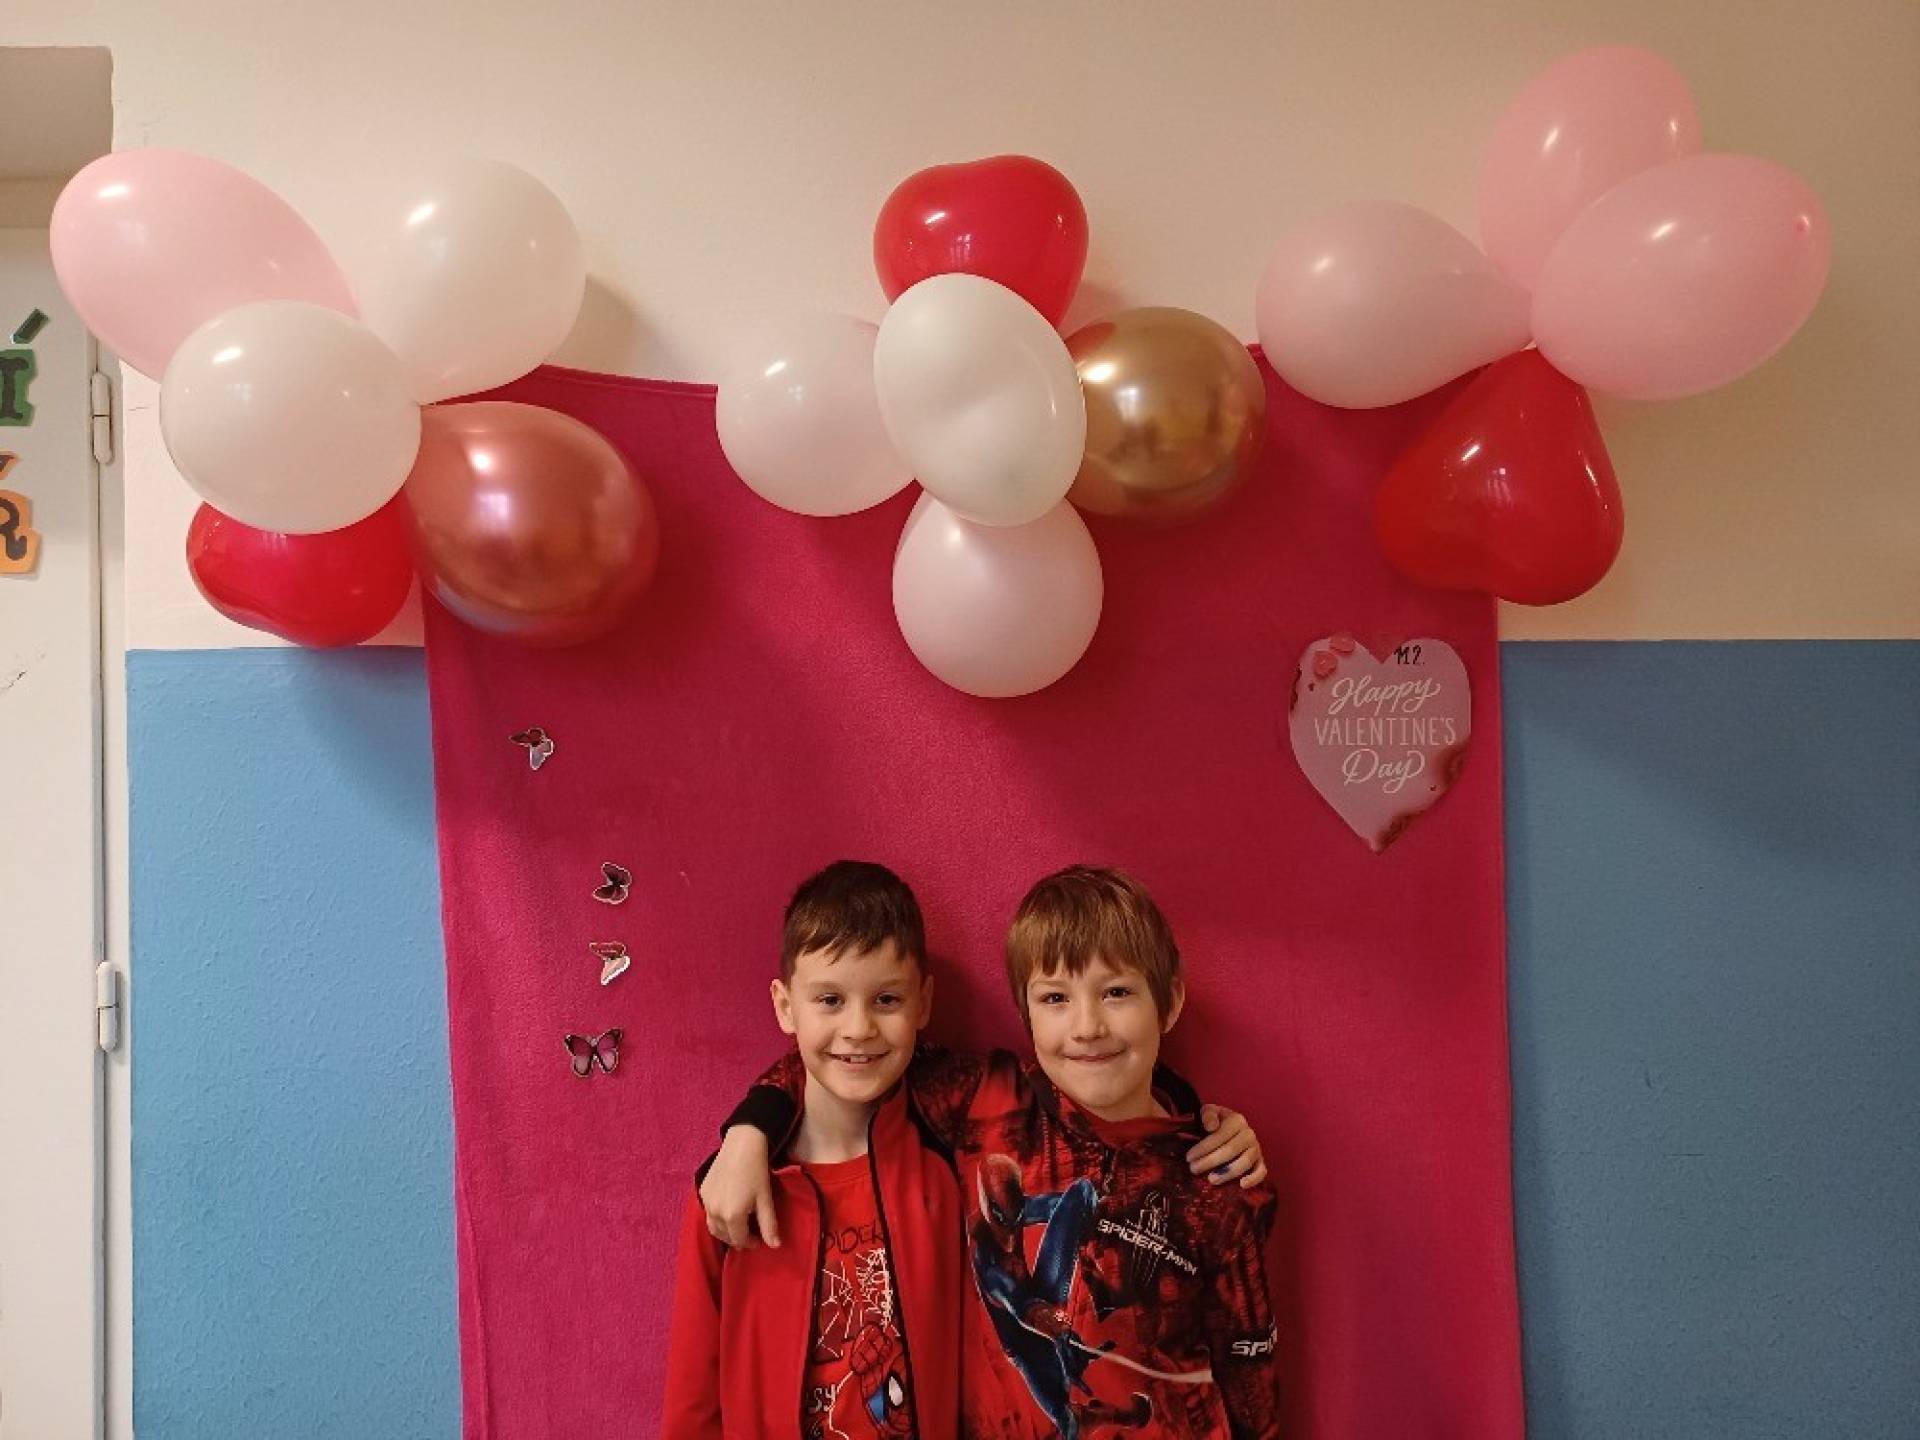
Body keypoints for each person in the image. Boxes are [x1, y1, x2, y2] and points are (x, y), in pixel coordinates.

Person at [703, 865, 1281, 1438]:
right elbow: (851, 1055)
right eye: (1055, 997)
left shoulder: (1217, 1178)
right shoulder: (988, 1102)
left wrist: (1190, 1119)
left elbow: (1250, 1374)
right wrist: (751, 1127)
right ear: (1026, 1013)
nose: (1087, 1026)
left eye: (1117, 993)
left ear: (1169, 1001)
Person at [661, 860, 962, 1440]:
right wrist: (750, 1131)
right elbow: (691, 1405)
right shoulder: (727, 1193)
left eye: (886, 999)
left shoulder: (949, 1163)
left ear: (923, 1002)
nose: (859, 1028)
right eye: (829, 999)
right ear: (784, 1005)